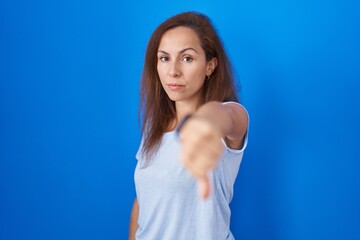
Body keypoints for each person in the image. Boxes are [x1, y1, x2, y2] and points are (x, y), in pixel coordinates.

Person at [129, 11, 249, 240]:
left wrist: (207, 122)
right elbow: (143, 201)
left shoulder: (228, 122)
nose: (173, 71)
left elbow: (229, 117)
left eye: (187, 58)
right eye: (164, 58)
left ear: (210, 66)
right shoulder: (154, 127)